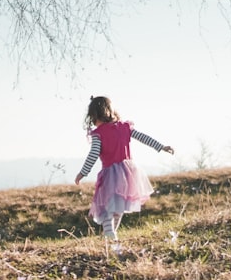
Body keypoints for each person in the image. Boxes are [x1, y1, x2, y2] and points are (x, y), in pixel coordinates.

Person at [74, 96, 174, 242]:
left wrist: (83, 172)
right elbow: (143, 137)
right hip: (129, 173)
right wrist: (161, 146)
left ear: (95, 115)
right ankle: (111, 234)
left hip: (110, 174)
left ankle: (109, 233)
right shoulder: (125, 127)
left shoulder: (98, 134)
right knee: (119, 207)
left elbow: (94, 153)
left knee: (108, 207)